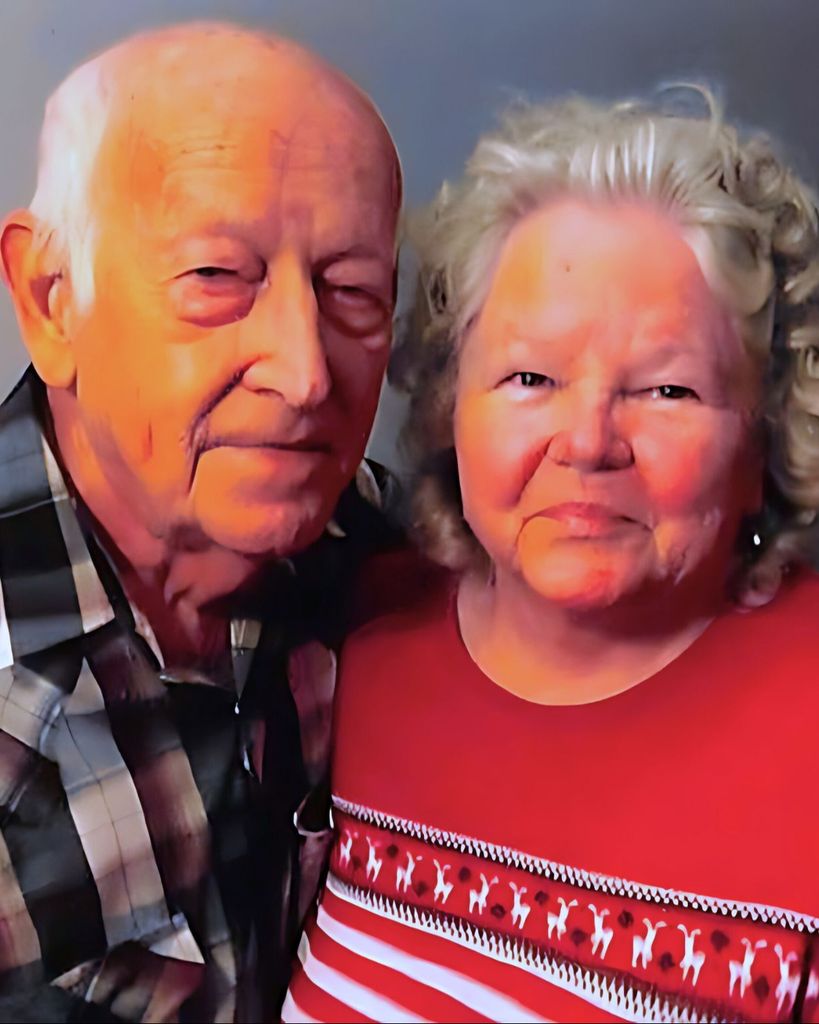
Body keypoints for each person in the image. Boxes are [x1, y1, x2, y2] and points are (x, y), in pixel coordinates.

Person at [286, 91, 819, 1023]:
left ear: (764, 436)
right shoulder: (354, 636)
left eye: (667, 389)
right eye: (528, 377)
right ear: (451, 405)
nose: (586, 442)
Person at [0, 21, 401, 1023]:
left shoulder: (400, 561)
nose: (305, 374)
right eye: (217, 278)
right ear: (50, 299)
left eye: (353, 290)